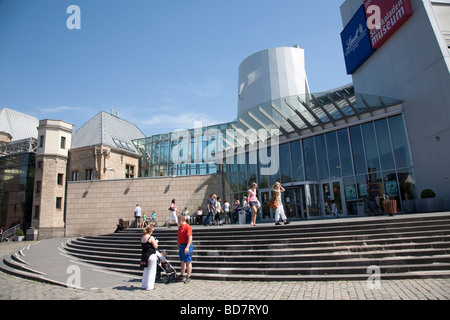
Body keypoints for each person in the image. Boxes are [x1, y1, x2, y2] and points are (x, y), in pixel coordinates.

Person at [140, 226, 158, 290]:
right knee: (152, 271)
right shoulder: (151, 237)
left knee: (146, 270)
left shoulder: (142, 237)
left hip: (144, 255)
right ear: (150, 231)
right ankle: (150, 286)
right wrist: (156, 242)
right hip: (151, 255)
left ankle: (144, 285)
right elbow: (155, 246)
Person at [177, 215, 193, 284]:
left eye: (178, 220)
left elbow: (190, 238)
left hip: (186, 245)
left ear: (181, 220)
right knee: (182, 261)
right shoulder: (180, 227)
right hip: (181, 245)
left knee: (188, 261)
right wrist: (177, 243)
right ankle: (182, 274)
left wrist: (187, 247)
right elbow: (178, 236)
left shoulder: (187, 227)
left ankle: (188, 276)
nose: (177, 222)